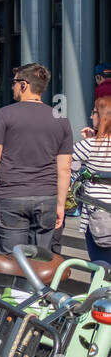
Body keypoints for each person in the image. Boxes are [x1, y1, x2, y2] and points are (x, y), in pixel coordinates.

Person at [0, 63, 73, 254]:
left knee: (11, 263)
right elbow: (64, 169)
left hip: (11, 197)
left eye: (15, 82)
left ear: (24, 85)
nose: (12, 86)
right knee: (42, 263)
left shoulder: (5, 115)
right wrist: (60, 204)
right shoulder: (61, 118)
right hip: (47, 198)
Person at [73, 96, 111, 265]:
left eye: (94, 112)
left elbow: (65, 162)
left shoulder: (89, 145)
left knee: (101, 267)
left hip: (99, 216)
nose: (91, 116)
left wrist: (88, 139)